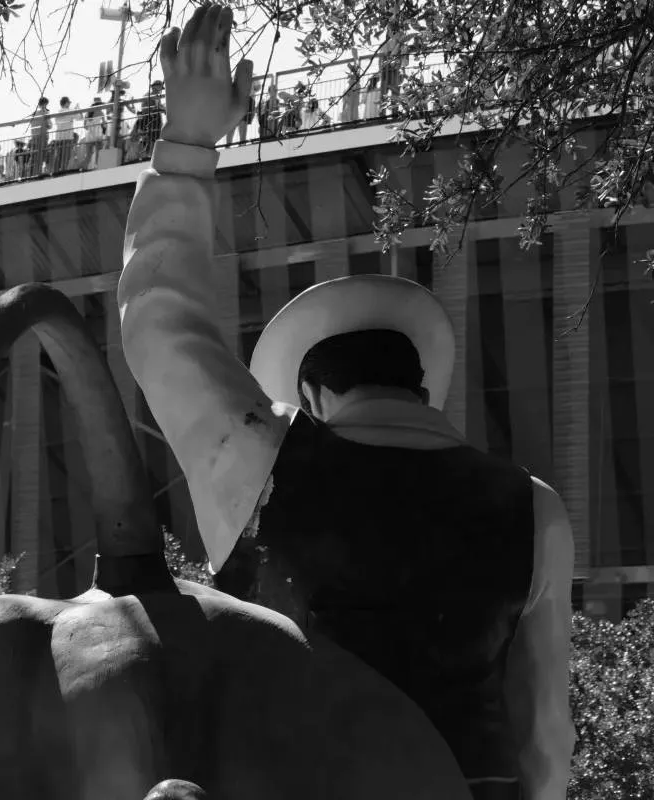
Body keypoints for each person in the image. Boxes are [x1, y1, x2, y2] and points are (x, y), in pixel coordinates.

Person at [115, 6, 575, 800]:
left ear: (313, 394)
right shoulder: (534, 509)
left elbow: (160, 325)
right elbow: (545, 741)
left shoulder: (263, 460)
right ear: (418, 384)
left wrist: (186, 144)